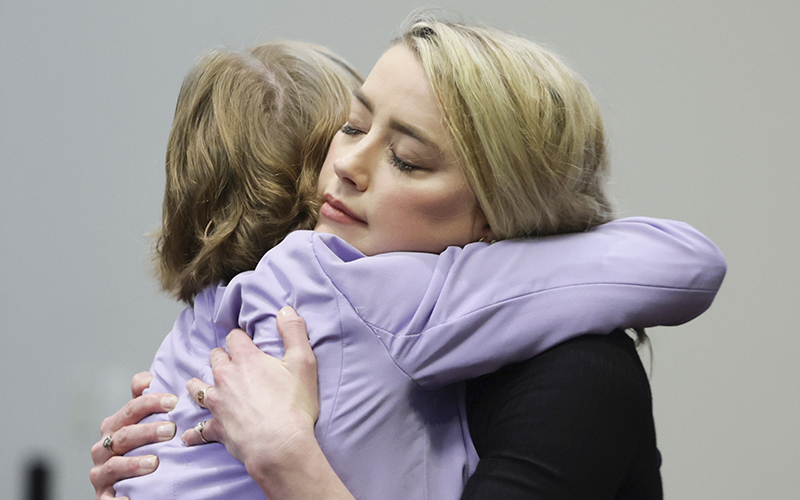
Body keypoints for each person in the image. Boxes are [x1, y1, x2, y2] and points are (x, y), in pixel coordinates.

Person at [91, 15, 725, 500]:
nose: (345, 165)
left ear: (496, 216)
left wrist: (288, 462)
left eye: (408, 160)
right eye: (353, 126)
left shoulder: (577, 375)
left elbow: (691, 260)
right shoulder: (301, 292)